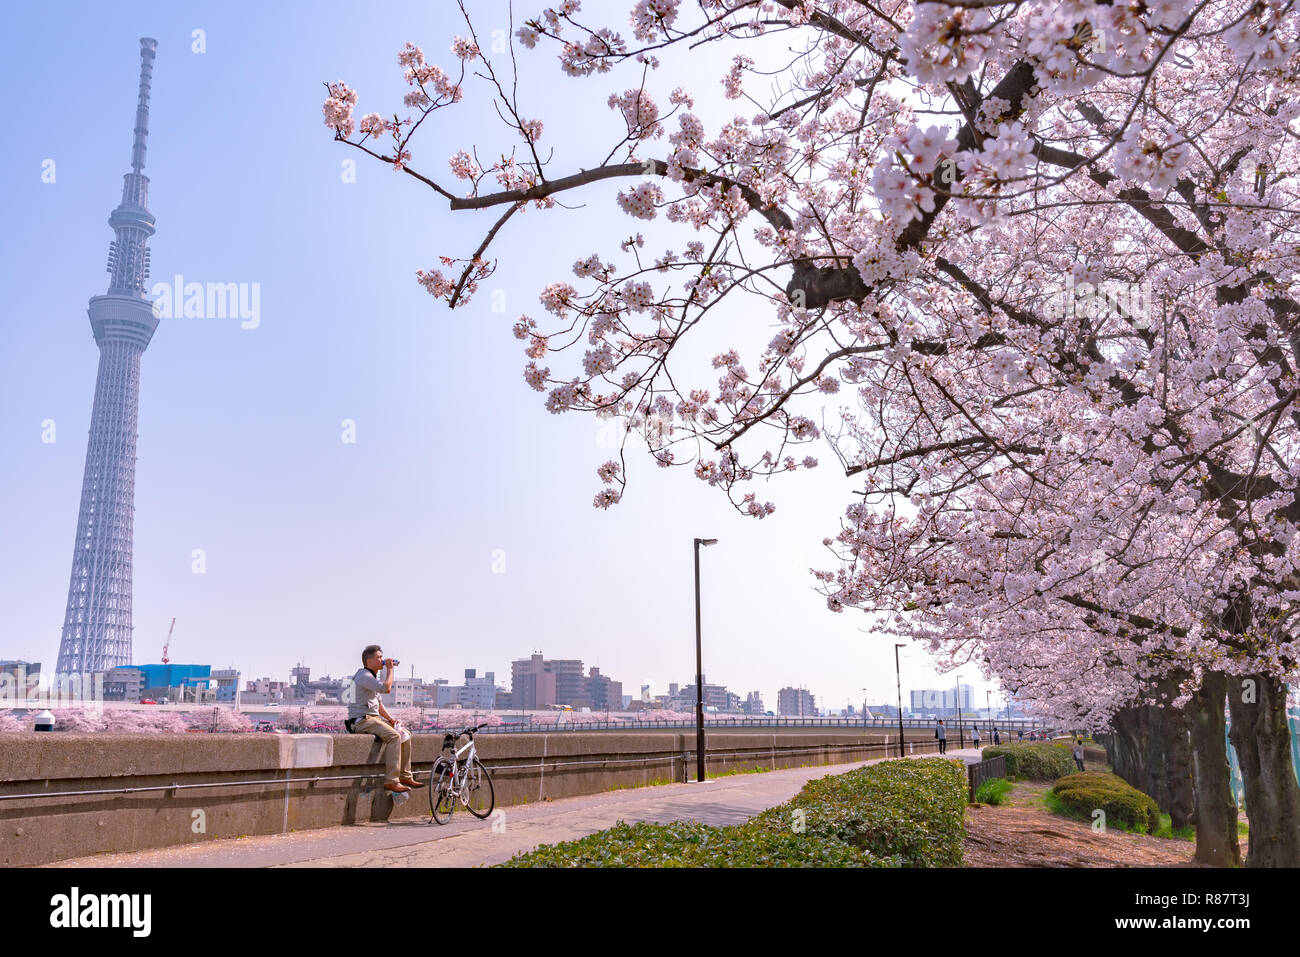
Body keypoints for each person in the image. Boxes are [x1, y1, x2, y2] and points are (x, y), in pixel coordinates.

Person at [346, 644, 424, 793]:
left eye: (382, 656)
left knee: (405, 734)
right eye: (379, 657)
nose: (382, 659)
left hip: (373, 718)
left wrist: (391, 719)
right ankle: (392, 781)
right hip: (361, 720)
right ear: (369, 661)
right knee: (394, 736)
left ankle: (405, 776)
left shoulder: (371, 677)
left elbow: (378, 703)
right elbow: (386, 689)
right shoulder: (364, 676)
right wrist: (390, 669)